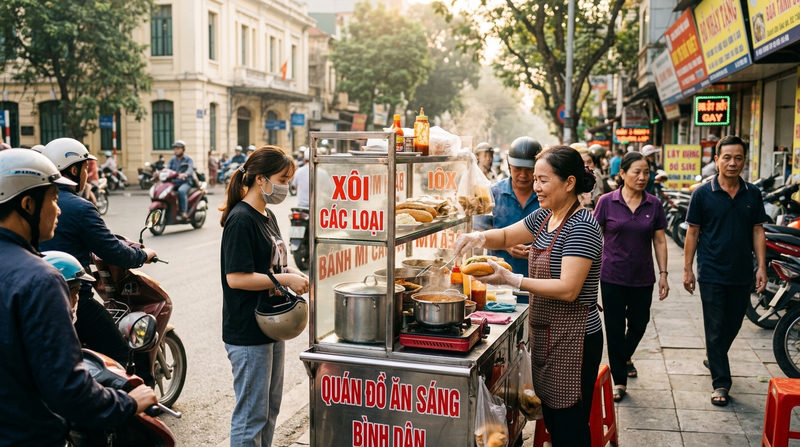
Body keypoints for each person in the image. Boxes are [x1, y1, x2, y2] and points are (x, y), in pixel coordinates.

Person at [0, 149, 157, 445]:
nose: (59, 209)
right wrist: (128, 403)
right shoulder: (41, 279)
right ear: (27, 204)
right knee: (120, 352)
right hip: (29, 435)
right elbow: (67, 388)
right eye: (54, 200)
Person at [454, 145, 603, 446]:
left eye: (543, 180)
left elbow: (568, 288)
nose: (536, 186)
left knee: (570, 426)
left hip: (576, 340)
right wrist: (479, 237)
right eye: (535, 179)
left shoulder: (582, 225)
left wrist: (513, 279)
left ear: (569, 183)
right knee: (555, 417)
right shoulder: (546, 216)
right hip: (549, 335)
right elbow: (509, 235)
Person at [39, 138, 157, 379]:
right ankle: (129, 408)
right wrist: (142, 255)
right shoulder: (79, 207)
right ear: (74, 169)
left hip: (38, 296)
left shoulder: (38, 202)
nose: (87, 174)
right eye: (85, 168)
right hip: (71, 298)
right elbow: (112, 249)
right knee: (119, 353)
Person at [219, 145, 309, 446]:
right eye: (282, 179)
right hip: (247, 330)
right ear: (261, 179)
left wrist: (294, 273)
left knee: (269, 410)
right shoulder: (241, 219)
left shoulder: (266, 214)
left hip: (272, 324)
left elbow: (274, 262)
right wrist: (284, 279)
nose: (285, 186)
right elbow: (236, 278)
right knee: (251, 415)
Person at [683, 135, 767, 407]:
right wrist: (687, 269)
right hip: (711, 271)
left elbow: (757, 230)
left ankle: (714, 354)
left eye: (738, 158)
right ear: (716, 159)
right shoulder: (702, 194)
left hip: (742, 272)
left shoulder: (752, 194)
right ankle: (721, 382)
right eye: (727, 157)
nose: (732, 163)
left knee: (733, 323)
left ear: (744, 161)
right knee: (715, 326)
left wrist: (762, 266)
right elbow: (692, 232)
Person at [593, 152, 669, 402]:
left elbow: (659, 240)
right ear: (622, 174)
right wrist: (589, 276)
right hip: (612, 276)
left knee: (639, 323)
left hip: (643, 277)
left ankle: (623, 356)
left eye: (646, 172)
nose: (642, 177)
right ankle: (620, 380)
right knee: (614, 329)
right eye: (636, 171)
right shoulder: (606, 202)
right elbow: (596, 239)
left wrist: (664, 274)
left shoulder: (654, 204)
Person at [473, 136, 542, 276]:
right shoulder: (492, 194)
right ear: (509, 166)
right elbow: (478, 234)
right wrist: (505, 244)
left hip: (538, 282)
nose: (523, 175)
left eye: (529, 169)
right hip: (499, 281)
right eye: (518, 169)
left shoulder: (547, 197)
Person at [167, 140, 195, 220]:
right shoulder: (172, 160)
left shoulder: (188, 159)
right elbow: (167, 168)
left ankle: (183, 211)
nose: (176, 150)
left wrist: (185, 174)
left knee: (181, 191)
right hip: (174, 182)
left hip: (185, 182)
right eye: (175, 148)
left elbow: (190, 169)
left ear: (183, 149)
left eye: (178, 148)